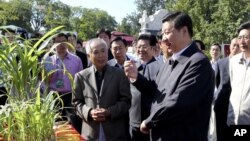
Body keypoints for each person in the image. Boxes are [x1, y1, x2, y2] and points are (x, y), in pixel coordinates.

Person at [124, 11, 214, 141]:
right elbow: (155, 89)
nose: (163, 38)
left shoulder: (198, 63)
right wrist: (136, 77)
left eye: (167, 32)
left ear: (184, 31)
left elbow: (180, 102)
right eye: (163, 33)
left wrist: (150, 121)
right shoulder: (170, 61)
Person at [72, 38, 131, 141]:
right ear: (89, 56)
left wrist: (109, 112)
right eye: (96, 52)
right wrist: (89, 112)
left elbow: (126, 101)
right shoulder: (81, 76)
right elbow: (76, 103)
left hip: (115, 132)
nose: (101, 55)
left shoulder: (120, 74)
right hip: (90, 133)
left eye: (103, 51)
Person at [44, 33, 83, 122]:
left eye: (63, 42)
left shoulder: (76, 60)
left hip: (71, 97)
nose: (61, 45)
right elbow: (45, 81)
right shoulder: (48, 60)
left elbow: (81, 82)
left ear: (68, 43)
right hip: (54, 97)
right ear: (54, 44)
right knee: (55, 124)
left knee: (72, 123)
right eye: (58, 42)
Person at [129, 34, 161, 141]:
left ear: (153, 48)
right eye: (138, 47)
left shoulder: (160, 67)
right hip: (133, 120)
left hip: (150, 121)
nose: (140, 50)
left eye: (144, 47)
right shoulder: (133, 66)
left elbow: (153, 90)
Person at [214, 38, 240, 141]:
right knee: (220, 132)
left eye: (238, 46)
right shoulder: (221, 63)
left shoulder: (243, 64)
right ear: (230, 47)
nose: (235, 47)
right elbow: (217, 81)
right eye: (234, 45)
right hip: (221, 103)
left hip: (237, 105)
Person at [227, 21, 250, 125]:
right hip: (233, 119)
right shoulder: (234, 61)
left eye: (246, 37)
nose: (242, 41)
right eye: (240, 38)